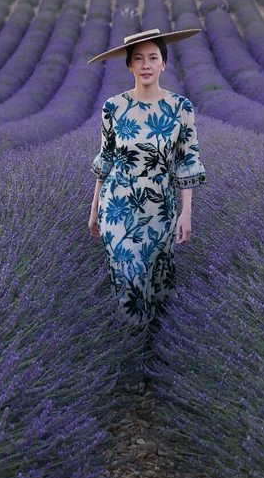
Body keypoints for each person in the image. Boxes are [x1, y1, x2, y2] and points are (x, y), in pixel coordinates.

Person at [88, 28, 207, 363]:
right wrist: (94, 209)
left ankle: (156, 352)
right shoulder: (113, 107)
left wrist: (186, 212)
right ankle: (132, 357)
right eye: (138, 58)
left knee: (156, 280)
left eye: (153, 57)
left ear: (163, 64)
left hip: (160, 207)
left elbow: (187, 161)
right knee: (128, 276)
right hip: (117, 205)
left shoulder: (180, 108)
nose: (146, 65)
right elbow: (106, 160)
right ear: (129, 65)